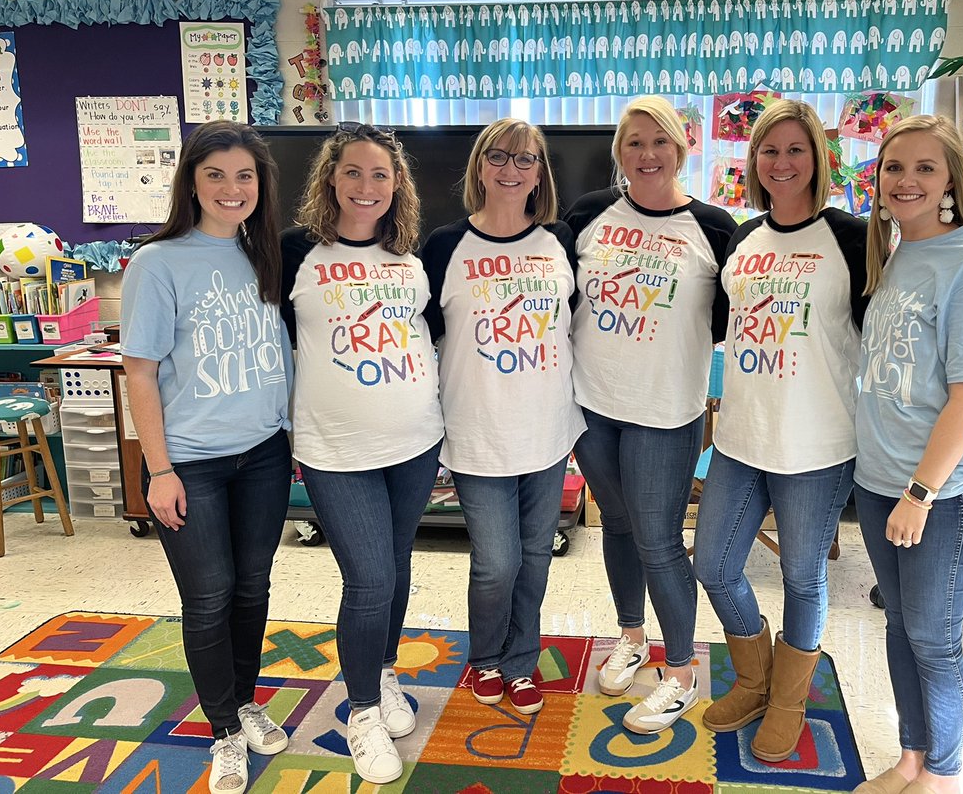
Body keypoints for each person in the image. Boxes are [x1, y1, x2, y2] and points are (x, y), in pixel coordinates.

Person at [121, 121, 292, 794]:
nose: (231, 188)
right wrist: (159, 470)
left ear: (261, 185)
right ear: (191, 183)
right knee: (209, 595)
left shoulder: (264, 253)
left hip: (264, 455)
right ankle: (223, 729)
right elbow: (140, 373)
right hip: (189, 463)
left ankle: (244, 702)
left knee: (252, 587)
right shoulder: (157, 262)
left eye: (244, 175)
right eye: (215, 174)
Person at [692, 99, 866, 761]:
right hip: (742, 438)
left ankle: (789, 701)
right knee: (713, 565)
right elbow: (716, 324)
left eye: (796, 149)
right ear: (753, 159)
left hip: (817, 445)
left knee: (802, 577)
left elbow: (883, 333)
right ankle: (755, 680)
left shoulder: (851, 237)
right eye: (769, 150)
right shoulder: (742, 239)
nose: (782, 162)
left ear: (818, 158)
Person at [565, 95, 736, 734]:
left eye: (659, 141)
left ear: (680, 148)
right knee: (616, 524)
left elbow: (724, 320)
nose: (647, 154)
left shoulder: (713, 227)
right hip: (593, 404)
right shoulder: (588, 214)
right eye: (634, 142)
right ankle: (631, 637)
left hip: (665, 411)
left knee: (659, 541)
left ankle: (682, 675)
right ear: (619, 152)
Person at [280, 123, 444, 786]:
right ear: (331, 178)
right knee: (370, 578)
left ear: (397, 183)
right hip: (335, 448)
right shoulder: (293, 252)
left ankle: (383, 670)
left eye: (380, 174)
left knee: (396, 565)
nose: (367, 186)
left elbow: (436, 336)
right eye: (353, 172)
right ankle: (363, 713)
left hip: (415, 441)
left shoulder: (412, 255)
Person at [852, 114, 963, 794]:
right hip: (879, 481)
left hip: (944, 492)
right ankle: (911, 759)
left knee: (934, 637)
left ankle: (943, 775)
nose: (906, 180)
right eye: (894, 167)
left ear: (950, 181)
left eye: (924, 168)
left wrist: (920, 494)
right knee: (900, 626)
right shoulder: (895, 254)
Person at [421, 119, 585, 716]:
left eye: (525, 159)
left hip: (548, 430)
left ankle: (520, 663)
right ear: (479, 166)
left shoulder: (560, 240)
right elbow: (424, 335)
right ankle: (486, 658)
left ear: (539, 173)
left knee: (535, 559)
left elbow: (574, 324)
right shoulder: (444, 246)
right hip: (478, 433)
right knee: (497, 563)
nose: (511, 169)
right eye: (498, 156)